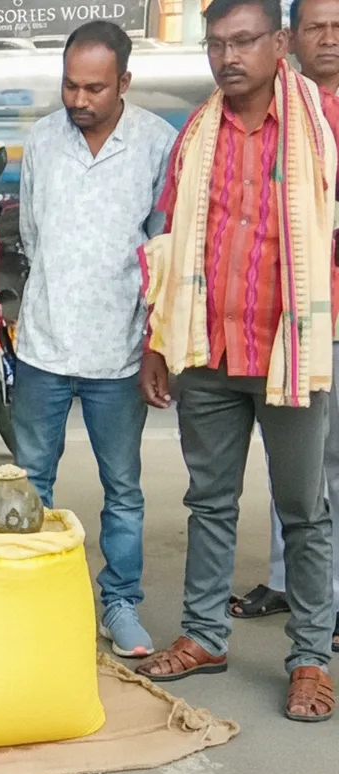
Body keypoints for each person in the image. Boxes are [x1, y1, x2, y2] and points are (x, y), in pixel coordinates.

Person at [136, 0, 339, 722]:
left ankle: (312, 656)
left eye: (245, 41)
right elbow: (166, 247)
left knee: (305, 512)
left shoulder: (323, 125)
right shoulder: (195, 134)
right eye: (216, 43)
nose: (229, 56)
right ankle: (204, 634)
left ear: (279, 43)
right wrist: (157, 343)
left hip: (294, 352)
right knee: (208, 501)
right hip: (208, 349)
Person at [14, 21, 176, 659]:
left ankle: (120, 602)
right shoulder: (42, 141)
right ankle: (31, 600)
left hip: (120, 352)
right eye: (69, 85)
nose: (78, 100)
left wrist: (155, 346)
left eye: (94, 89)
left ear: (125, 84)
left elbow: (163, 252)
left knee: (124, 488)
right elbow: (31, 233)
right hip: (44, 346)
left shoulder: (157, 145)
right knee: (30, 483)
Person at [227, 0, 339, 652]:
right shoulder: (274, 110)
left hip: (330, 315)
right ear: (292, 37)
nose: (329, 38)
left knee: (329, 464)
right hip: (277, 319)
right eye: (317, 26)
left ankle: (322, 601)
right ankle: (286, 581)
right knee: (290, 466)